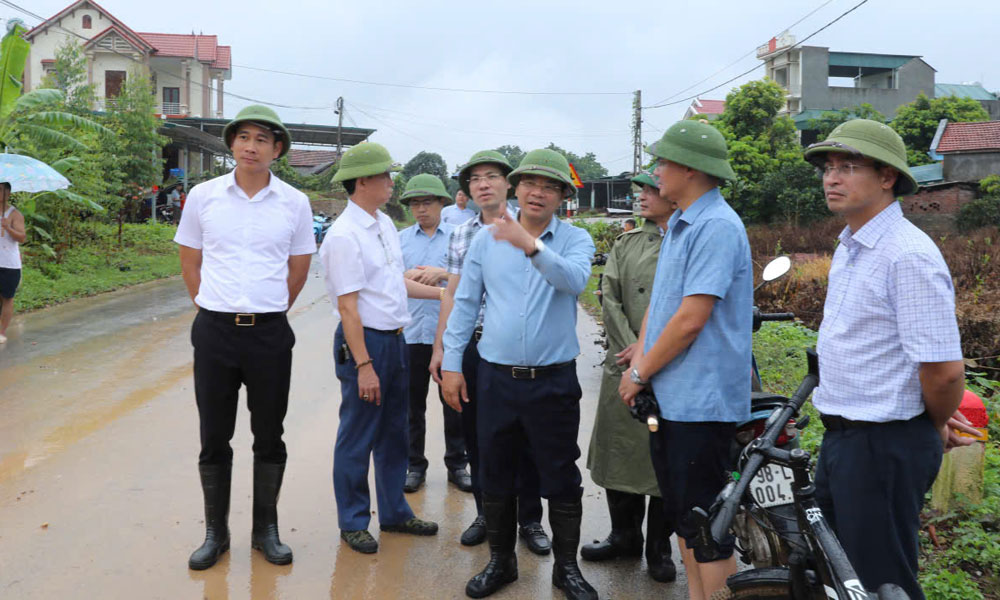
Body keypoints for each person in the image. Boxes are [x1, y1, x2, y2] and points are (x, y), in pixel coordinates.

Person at [803, 120, 974, 600]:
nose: (832, 178)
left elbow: (943, 370)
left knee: (883, 582)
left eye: (849, 166)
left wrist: (931, 420)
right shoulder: (852, 246)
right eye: (828, 167)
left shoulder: (907, 255)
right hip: (845, 438)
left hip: (883, 445)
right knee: (842, 576)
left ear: (887, 178)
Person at [442, 148, 598, 600]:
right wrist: (452, 363)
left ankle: (566, 570)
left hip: (553, 381)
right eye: (531, 183)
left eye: (549, 187)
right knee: (495, 471)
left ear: (562, 197)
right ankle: (501, 562)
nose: (538, 192)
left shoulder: (575, 240)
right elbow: (465, 304)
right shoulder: (483, 241)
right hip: (496, 378)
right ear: (518, 187)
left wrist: (531, 246)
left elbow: (574, 281)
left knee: (560, 475)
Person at [174, 105, 315, 570]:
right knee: (214, 434)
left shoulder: (294, 202)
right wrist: (209, 303)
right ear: (232, 144)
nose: (251, 146)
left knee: (269, 434)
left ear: (277, 150)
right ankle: (216, 533)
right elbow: (190, 259)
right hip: (214, 331)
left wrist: (268, 306)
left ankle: (265, 530)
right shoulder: (204, 196)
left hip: (269, 334)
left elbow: (298, 270)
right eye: (243, 137)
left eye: (262, 139)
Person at [618, 120, 751, 600]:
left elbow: (692, 318)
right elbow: (663, 302)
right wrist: (643, 350)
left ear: (690, 170)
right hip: (675, 398)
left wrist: (639, 371)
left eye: (662, 162)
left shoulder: (715, 226)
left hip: (702, 402)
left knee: (707, 527)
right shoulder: (679, 222)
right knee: (684, 516)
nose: (655, 172)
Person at [321, 142, 443, 555]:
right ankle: (353, 521)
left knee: (394, 433)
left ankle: (394, 512)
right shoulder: (343, 236)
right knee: (358, 434)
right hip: (366, 344)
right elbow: (348, 308)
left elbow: (393, 287)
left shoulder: (383, 225)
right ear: (363, 182)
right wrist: (364, 366)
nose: (392, 183)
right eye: (385, 176)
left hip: (395, 340)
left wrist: (441, 295)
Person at [429, 151, 548, 551]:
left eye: (492, 177)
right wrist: (444, 350)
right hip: (474, 347)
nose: (483, 185)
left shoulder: (526, 224)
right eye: (475, 179)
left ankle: (531, 520)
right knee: (479, 435)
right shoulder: (460, 233)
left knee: (528, 436)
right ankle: (488, 513)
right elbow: (453, 294)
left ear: (508, 183)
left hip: (517, 349)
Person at [583, 171, 676, 583]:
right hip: (624, 366)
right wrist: (633, 351)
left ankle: (659, 547)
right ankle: (624, 536)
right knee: (621, 454)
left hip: (673, 369)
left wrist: (652, 355)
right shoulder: (627, 242)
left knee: (664, 462)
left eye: (653, 190)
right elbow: (610, 297)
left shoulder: (688, 240)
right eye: (642, 190)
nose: (643, 197)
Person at [397, 174, 471, 494]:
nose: (421, 209)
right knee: (412, 406)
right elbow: (387, 279)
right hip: (411, 334)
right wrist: (407, 277)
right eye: (415, 203)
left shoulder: (460, 237)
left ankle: (457, 464)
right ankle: (414, 465)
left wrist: (444, 274)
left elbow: (473, 281)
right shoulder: (400, 240)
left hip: (450, 336)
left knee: (453, 402)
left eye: (427, 202)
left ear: (442, 203)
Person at [0, 182, 25, 344]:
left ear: (8, 193)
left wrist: (8, 228)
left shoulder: (14, 214)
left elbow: (22, 238)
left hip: (9, 264)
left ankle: (1, 332)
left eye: (0, 190)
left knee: (7, 298)